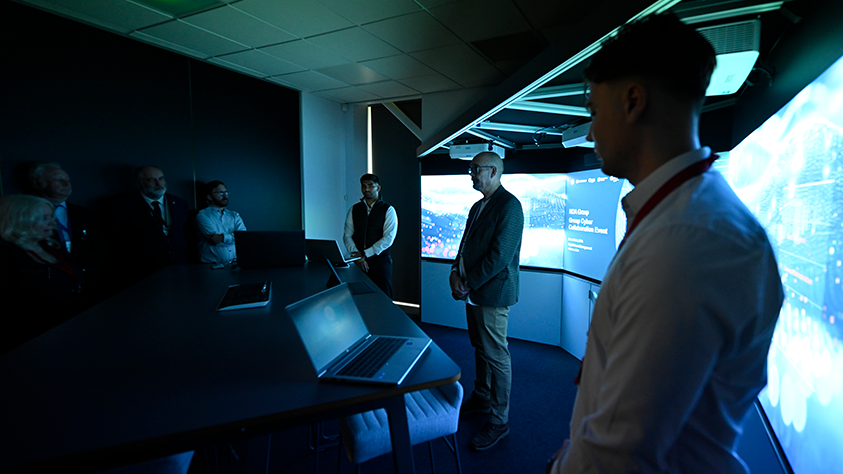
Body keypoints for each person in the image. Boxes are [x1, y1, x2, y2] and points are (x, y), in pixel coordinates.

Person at [548, 13, 784, 474]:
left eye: (595, 111)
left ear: (633, 101)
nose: (591, 132)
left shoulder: (684, 242)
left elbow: (618, 455)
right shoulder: (688, 216)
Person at [449, 151, 523, 451]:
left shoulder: (510, 206)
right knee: (480, 348)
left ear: (493, 171)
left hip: (492, 293)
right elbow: (465, 245)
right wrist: (454, 271)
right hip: (474, 291)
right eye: (471, 169)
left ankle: (499, 420)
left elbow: (500, 257)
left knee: (496, 355)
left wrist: (468, 282)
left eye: (475, 169)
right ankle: (481, 398)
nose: (471, 174)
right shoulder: (478, 206)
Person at [0, 194, 87, 354]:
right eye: (45, 218)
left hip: (74, 330)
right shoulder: (6, 259)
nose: (53, 224)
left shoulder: (51, 246)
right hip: (39, 344)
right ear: (20, 219)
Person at [28, 163, 104, 296]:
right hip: (51, 291)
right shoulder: (27, 216)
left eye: (68, 180)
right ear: (39, 183)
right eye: (58, 180)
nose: (66, 184)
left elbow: (100, 246)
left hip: (91, 286)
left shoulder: (85, 213)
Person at [112, 166, 189, 286]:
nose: (159, 183)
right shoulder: (123, 206)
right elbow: (116, 241)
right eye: (151, 180)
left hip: (179, 268)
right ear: (140, 182)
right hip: (144, 273)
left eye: (161, 178)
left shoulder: (179, 203)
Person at [342, 173, 398, 297]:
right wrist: (356, 255)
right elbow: (347, 235)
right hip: (357, 262)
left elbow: (388, 238)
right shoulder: (354, 209)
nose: (366, 189)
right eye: (363, 186)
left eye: (370, 186)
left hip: (380, 261)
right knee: (359, 296)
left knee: (383, 297)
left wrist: (366, 254)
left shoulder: (388, 210)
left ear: (378, 188)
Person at [195, 180, 246, 265]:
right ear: (209, 197)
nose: (225, 196)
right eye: (221, 193)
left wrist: (222, 237)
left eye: (226, 192)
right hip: (210, 266)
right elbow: (215, 239)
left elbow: (242, 237)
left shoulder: (234, 215)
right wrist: (234, 237)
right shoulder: (203, 215)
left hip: (234, 264)